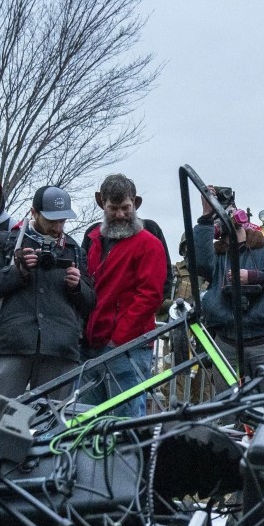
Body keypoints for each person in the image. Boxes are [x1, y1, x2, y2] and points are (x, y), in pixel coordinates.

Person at [0, 186, 95, 397]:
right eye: (52, 220)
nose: (58, 227)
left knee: (53, 423)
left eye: (63, 221)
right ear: (34, 213)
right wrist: (16, 272)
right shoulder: (6, 242)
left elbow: (90, 302)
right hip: (11, 343)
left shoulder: (75, 250)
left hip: (59, 348)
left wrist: (77, 287)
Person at [82, 174, 168, 417]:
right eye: (114, 208)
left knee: (124, 421)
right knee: (88, 418)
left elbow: (149, 296)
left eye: (125, 208)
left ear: (135, 205)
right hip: (96, 343)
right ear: (103, 205)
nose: (120, 214)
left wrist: (119, 338)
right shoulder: (93, 241)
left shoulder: (149, 245)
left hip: (127, 346)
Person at [194, 195, 264, 387]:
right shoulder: (218, 255)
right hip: (227, 340)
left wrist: (257, 277)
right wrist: (205, 217)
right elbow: (200, 263)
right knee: (227, 406)